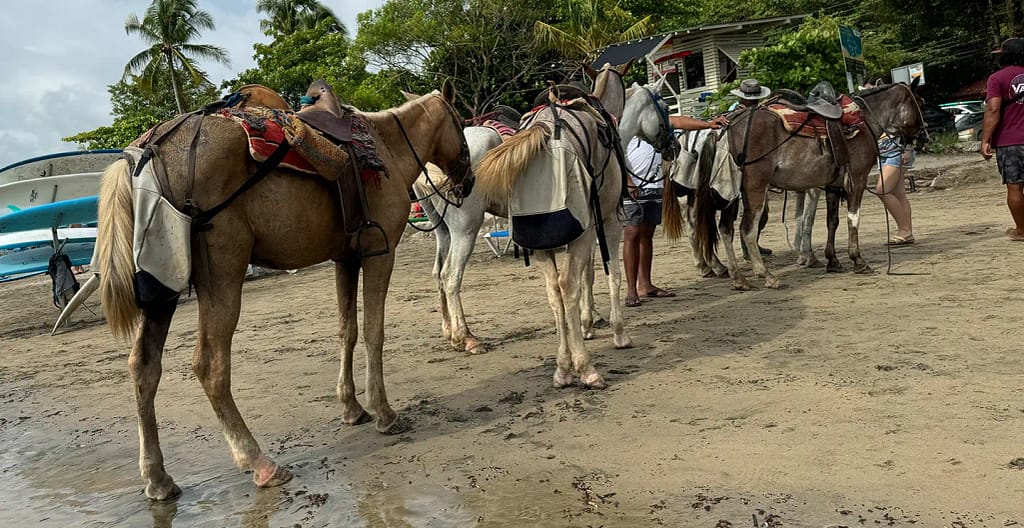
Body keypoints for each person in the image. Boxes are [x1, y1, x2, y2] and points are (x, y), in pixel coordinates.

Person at [622, 115, 727, 307]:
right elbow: (616, 155)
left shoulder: (655, 124)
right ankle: (631, 290)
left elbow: (677, 121)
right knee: (632, 234)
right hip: (633, 189)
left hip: (655, 186)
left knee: (646, 236)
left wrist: (708, 124)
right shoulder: (627, 126)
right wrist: (628, 181)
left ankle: (645, 284)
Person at [863, 77, 916, 244]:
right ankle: (906, 231)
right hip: (886, 153)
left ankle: (904, 229)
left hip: (896, 151)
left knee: (882, 190)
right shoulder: (877, 111)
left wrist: (908, 147)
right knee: (898, 193)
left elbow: (910, 125)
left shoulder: (896, 107)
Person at [981, 37, 1024, 242]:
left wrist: (985, 139)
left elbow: (994, 108)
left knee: (1015, 187)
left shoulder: (997, 78)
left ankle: (1022, 231)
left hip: (1011, 141)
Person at [729, 79, 774, 257]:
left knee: (761, 211)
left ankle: (751, 243)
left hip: (754, 164)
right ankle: (747, 245)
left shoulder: (759, 112)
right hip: (738, 165)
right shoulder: (735, 112)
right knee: (746, 209)